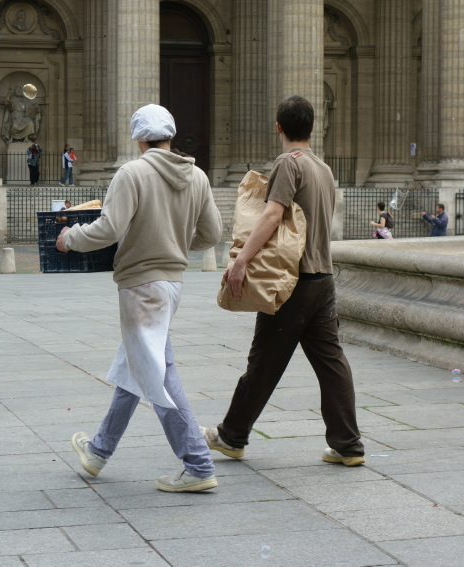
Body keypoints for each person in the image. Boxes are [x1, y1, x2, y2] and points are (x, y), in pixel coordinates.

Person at [57, 104, 223, 492]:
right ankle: (99, 451)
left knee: (159, 375)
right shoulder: (196, 175)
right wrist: (179, 242)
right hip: (172, 284)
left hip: (141, 285)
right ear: (170, 134)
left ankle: (198, 465)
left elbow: (109, 228)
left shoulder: (132, 173)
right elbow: (212, 234)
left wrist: (70, 238)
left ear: (137, 137)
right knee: (137, 368)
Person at [201, 95, 365, 468]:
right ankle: (348, 444)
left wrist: (241, 260)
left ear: (279, 128)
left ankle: (231, 435)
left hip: (294, 282)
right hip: (323, 278)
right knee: (331, 362)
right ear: (311, 127)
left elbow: (272, 214)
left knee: (263, 362)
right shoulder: (323, 168)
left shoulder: (287, 165)